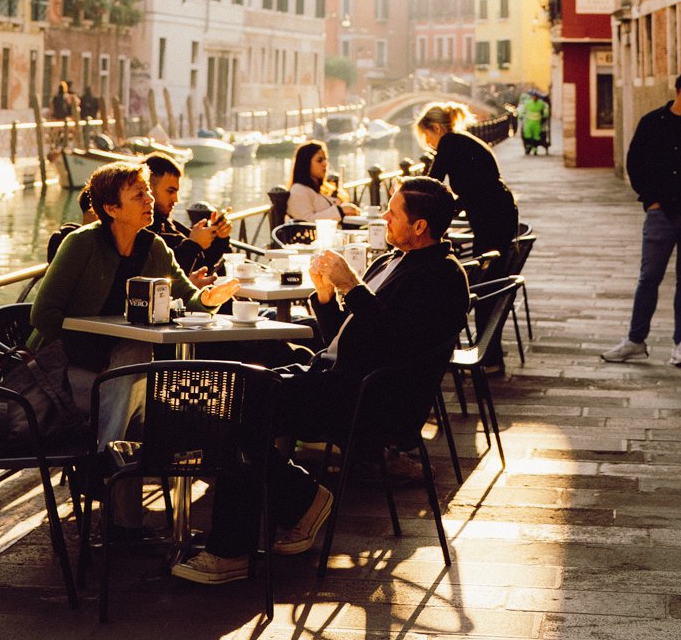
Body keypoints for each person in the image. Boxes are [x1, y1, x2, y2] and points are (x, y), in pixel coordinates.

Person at [171, 175, 470, 585]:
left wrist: (353, 286)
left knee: (243, 409)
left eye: (394, 212)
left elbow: (396, 344)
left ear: (420, 227)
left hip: (369, 398)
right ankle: (299, 500)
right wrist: (328, 296)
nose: (383, 216)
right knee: (238, 391)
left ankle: (235, 547)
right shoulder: (391, 260)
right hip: (335, 376)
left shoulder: (443, 277)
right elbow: (342, 338)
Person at [29, 162, 241, 451]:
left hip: (125, 367)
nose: (149, 199)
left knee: (145, 363)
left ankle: (113, 462)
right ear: (112, 209)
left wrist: (209, 299)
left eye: (148, 192)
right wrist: (98, 349)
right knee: (150, 381)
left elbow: (190, 297)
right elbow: (43, 315)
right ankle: (115, 460)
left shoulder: (153, 247)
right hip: (60, 370)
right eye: (138, 194)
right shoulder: (81, 243)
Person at [602, 68, 681, 369]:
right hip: (661, 215)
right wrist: (652, 201)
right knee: (649, 278)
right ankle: (636, 340)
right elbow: (635, 162)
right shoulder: (652, 123)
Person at [415, 103, 518, 258]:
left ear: (436, 128)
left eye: (426, 136)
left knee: (484, 264)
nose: (428, 143)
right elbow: (472, 188)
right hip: (499, 209)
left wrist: (407, 189)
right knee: (487, 266)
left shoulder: (448, 142)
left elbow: (433, 182)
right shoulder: (460, 141)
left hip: (491, 214)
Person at [145, 150, 231, 275]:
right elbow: (167, 275)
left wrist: (220, 237)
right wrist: (193, 245)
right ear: (149, 190)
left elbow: (207, 265)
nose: (176, 199)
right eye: (170, 191)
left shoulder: (170, 225)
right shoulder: (143, 232)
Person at [286, 141, 360, 223]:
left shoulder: (323, 188)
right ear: (305, 164)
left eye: (325, 159)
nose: (325, 164)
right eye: (319, 160)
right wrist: (340, 211)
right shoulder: (299, 190)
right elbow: (306, 221)